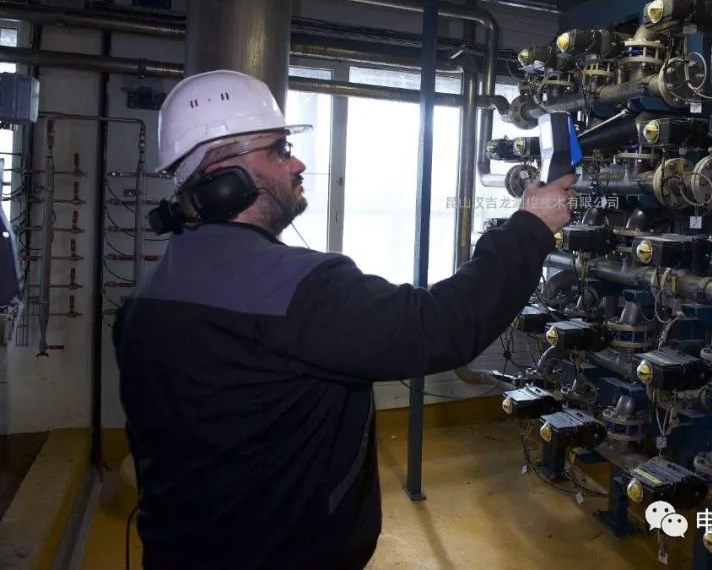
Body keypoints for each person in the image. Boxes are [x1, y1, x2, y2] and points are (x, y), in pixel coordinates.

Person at [112, 69, 576, 570]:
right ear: (227, 180)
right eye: (279, 150)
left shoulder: (144, 298)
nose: (298, 163)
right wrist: (530, 226)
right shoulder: (296, 288)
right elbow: (441, 326)